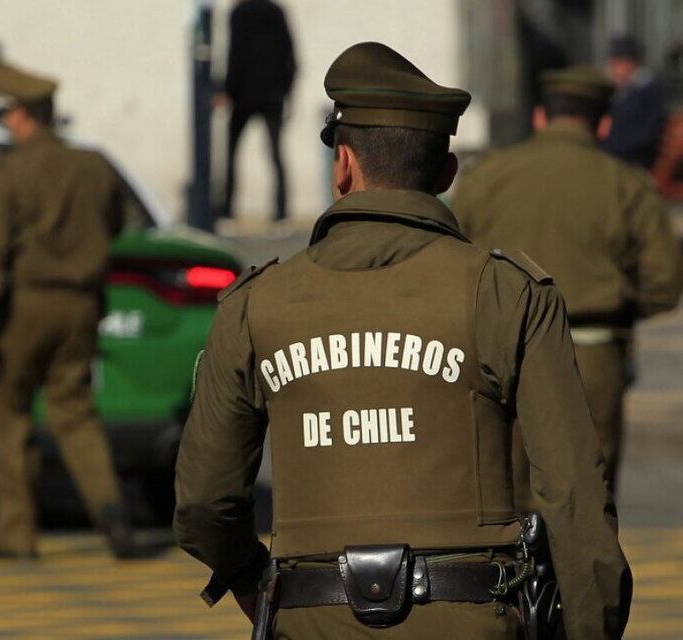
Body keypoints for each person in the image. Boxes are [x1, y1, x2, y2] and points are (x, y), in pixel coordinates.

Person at [174, 43, 631, 639]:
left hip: (314, 620)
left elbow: (203, 502)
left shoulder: (254, 305)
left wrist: (256, 583)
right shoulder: (505, 292)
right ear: (445, 174)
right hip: (475, 619)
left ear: (342, 165)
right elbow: (573, 495)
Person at [453, 65, 683, 496]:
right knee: (585, 500)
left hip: (500, 355)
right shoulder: (625, 184)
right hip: (591, 356)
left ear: (540, 117)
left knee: (505, 497)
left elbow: (450, 258)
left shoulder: (485, 176)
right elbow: (664, 284)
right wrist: (616, 303)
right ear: (604, 123)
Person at [0, 63, 138, 559]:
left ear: (23, 116)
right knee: (75, 411)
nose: (6, 122)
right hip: (82, 304)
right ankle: (110, 510)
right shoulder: (93, 165)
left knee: (11, 412)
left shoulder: (7, 174)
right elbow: (116, 223)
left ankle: (16, 534)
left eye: (9, 113)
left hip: (26, 304)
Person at [221, 0, 297, 224]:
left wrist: (228, 90)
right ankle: (281, 212)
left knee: (231, 154)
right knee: (276, 154)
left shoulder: (238, 14)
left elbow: (235, 55)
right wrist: (286, 92)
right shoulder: (277, 12)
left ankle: (227, 211)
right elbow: (291, 58)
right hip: (273, 95)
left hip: (243, 95)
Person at [602, 35, 667, 169]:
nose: (613, 69)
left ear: (632, 63)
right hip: (616, 157)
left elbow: (647, 135)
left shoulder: (648, 92)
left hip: (634, 162)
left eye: (618, 63)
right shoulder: (620, 91)